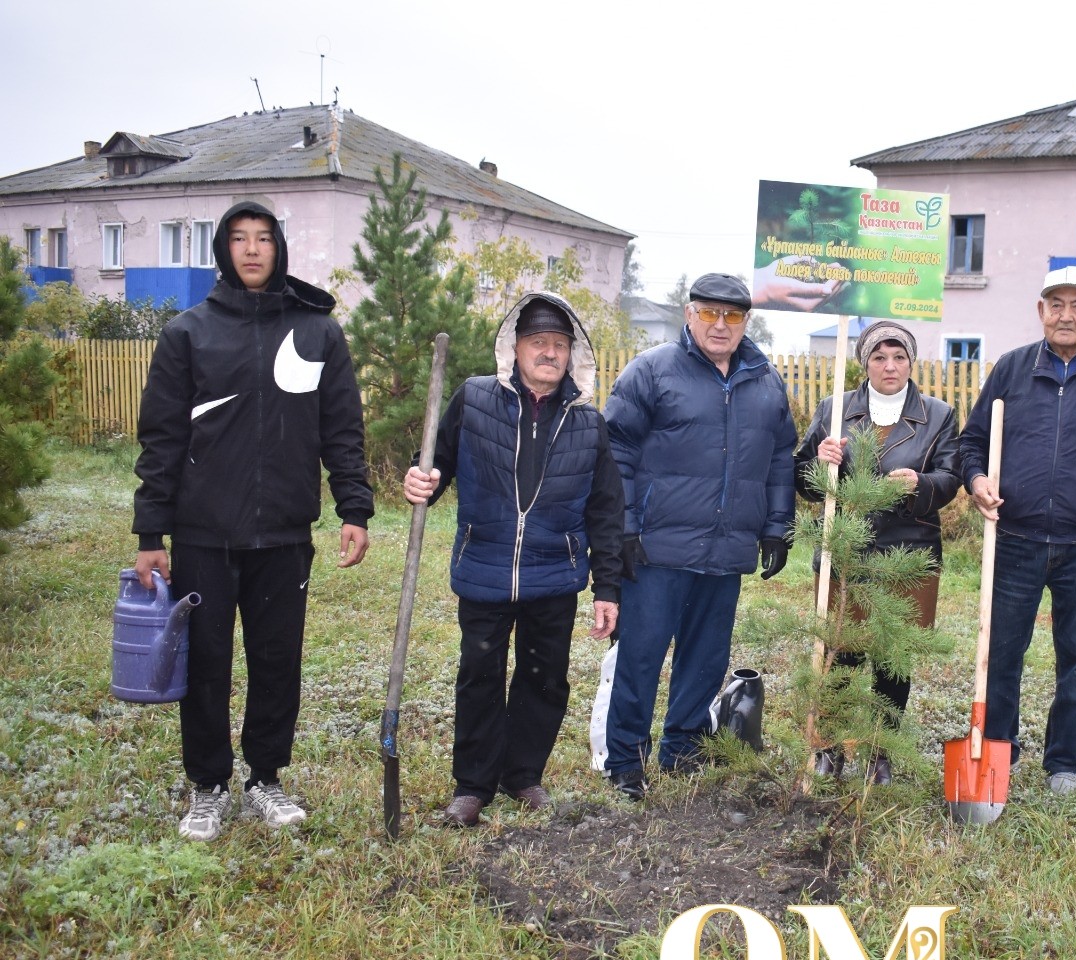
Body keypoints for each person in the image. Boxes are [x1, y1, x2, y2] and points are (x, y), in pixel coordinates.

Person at [132, 200, 373, 842]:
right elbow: (158, 439)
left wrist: (354, 508)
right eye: (238, 239)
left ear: (279, 248)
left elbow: (342, 430)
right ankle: (207, 787)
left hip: (285, 535)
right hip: (203, 534)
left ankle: (265, 777)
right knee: (206, 664)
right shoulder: (189, 332)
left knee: (277, 663)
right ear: (222, 251)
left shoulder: (317, 332)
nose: (251, 250)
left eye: (263, 238)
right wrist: (150, 535)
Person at [403, 293, 624, 827]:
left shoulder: (588, 424)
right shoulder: (474, 399)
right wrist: (421, 480)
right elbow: (437, 464)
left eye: (559, 345)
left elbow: (606, 509)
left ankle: (523, 776)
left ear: (573, 355)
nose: (549, 353)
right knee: (479, 674)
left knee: (544, 679)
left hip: (554, 571)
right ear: (514, 348)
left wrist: (608, 588)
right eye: (537, 343)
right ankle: (473, 786)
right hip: (485, 565)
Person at [602, 273, 798, 798]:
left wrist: (777, 526)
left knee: (706, 656)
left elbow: (781, 457)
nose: (720, 324)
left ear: (745, 322)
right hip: (657, 548)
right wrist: (622, 528)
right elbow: (614, 450)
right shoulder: (652, 370)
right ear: (689, 314)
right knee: (642, 653)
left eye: (732, 315)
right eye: (709, 312)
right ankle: (625, 758)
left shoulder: (765, 381)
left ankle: (682, 747)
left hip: (727, 548)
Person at [958, 265, 1076, 794]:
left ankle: (1065, 763)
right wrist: (976, 480)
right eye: (1055, 304)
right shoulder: (1012, 371)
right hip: (1013, 538)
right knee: (1001, 652)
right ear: (1041, 311)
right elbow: (972, 442)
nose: (1066, 315)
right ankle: (998, 750)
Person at [793, 321, 961, 784]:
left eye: (899, 357)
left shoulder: (938, 415)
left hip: (910, 551)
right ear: (864, 362)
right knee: (841, 651)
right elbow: (800, 475)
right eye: (880, 358)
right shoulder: (835, 408)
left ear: (911, 362)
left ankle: (880, 752)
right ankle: (829, 747)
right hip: (847, 551)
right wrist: (819, 460)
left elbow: (951, 476)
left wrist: (921, 483)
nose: (890, 366)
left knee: (894, 657)